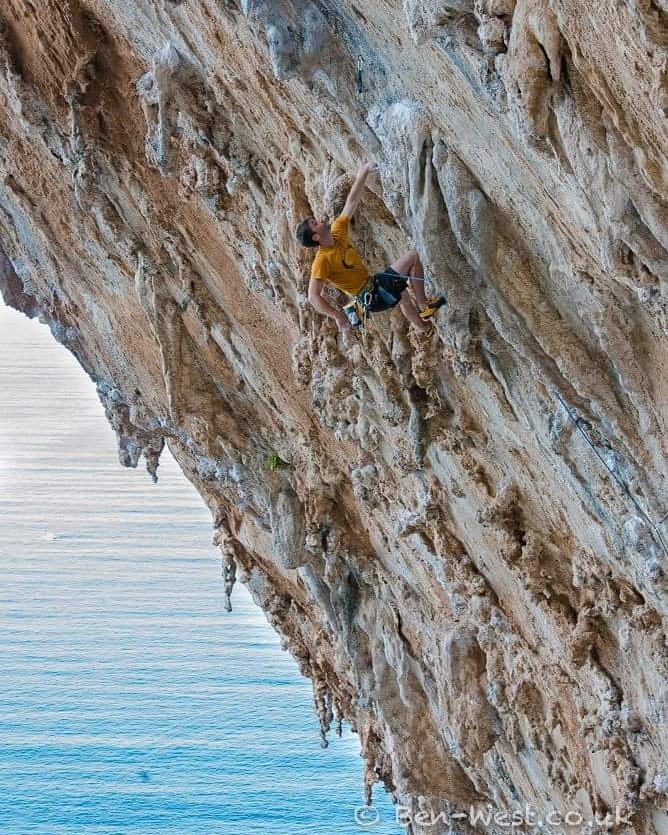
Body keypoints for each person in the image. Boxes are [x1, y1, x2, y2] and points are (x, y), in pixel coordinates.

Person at [295, 161, 444, 334]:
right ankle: (424, 306)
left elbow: (352, 201)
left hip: (374, 286)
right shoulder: (322, 261)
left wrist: (363, 173)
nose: (320, 220)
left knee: (403, 296)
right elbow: (313, 297)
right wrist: (337, 316)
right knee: (412, 256)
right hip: (371, 296)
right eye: (315, 223)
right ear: (316, 236)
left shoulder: (337, 231)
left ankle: (424, 328)